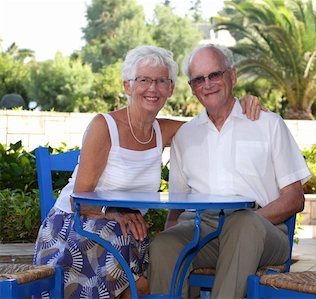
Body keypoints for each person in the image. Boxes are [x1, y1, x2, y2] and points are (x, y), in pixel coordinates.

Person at [33, 45, 263, 299]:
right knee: (133, 264)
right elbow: (80, 197)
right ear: (127, 85)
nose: (152, 88)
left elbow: (214, 118)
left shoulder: (165, 130)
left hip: (129, 232)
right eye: (144, 80)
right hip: (77, 226)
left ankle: (138, 286)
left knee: (157, 252)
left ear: (171, 89)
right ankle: (137, 286)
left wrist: (241, 104)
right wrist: (116, 213)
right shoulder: (104, 125)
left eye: (161, 81)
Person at [148, 43, 312, 298]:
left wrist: (246, 222)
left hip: (263, 227)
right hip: (204, 228)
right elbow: (178, 207)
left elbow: (294, 198)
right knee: (164, 245)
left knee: (242, 224)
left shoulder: (268, 124)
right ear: (192, 88)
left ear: (232, 76)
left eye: (215, 74)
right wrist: (172, 229)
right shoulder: (186, 136)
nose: (208, 84)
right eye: (199, 79)